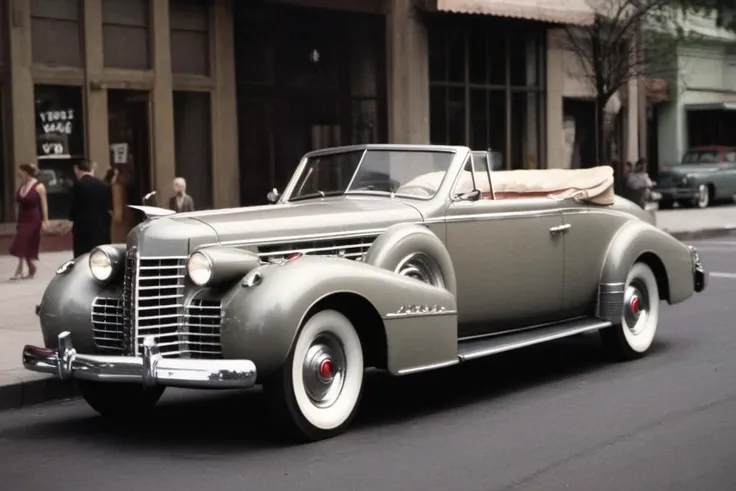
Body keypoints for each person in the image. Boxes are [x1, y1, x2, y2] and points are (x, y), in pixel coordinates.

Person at [63, 159, 111, 258]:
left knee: (82, 257)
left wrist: (69, 220)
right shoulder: (103, 185)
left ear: (76, 169)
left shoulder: (77, 186)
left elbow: (74, 206)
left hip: (82, 228)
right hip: (101, 226)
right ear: (92, 169)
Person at [9, 163, 49, 280]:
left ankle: (19, 268)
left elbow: (44, 204)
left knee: (23, 240)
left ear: (26, 172)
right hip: (23, 217)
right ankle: (31, 267)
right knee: (24, 243)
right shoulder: (23, 185)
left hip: (33, 217)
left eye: (20, 171)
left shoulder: (39, 186)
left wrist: (45, 220)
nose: (18, 173)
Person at [110, 165, 136, 243]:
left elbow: (118, 207)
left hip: (122, 217)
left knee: (119, 240)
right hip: (129, 214)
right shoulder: (128, 181)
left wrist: (116, 216)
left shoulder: (118, 184)